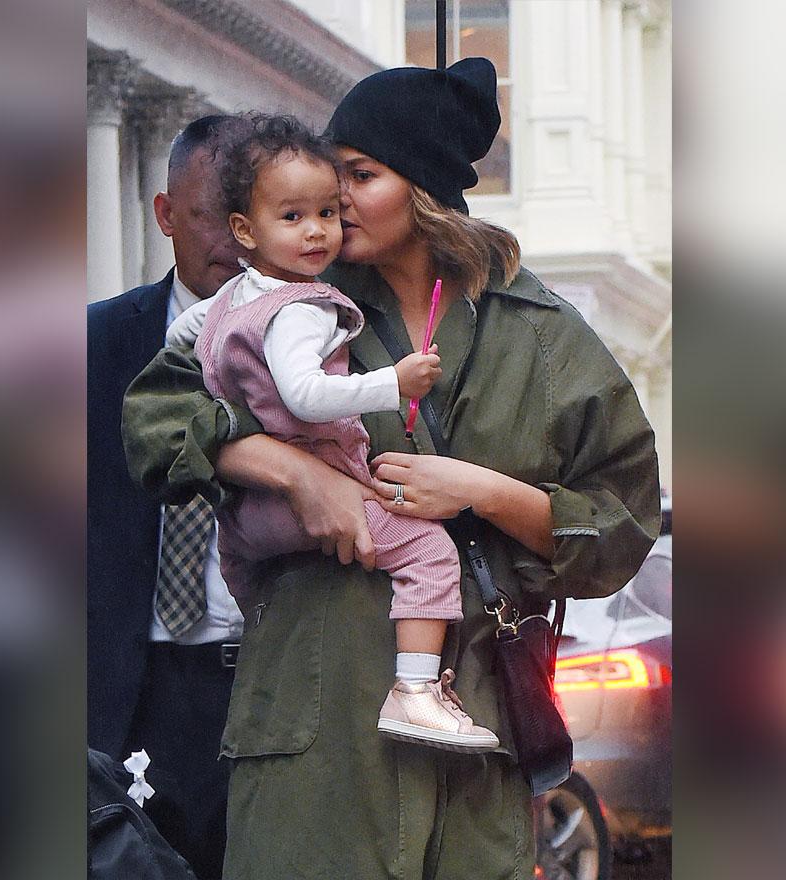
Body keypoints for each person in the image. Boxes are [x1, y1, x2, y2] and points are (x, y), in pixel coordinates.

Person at [123, 59, 660, 879]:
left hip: (476, 743)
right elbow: (154, 421)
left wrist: (487, 493)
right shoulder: (280, 298)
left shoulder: (543, 335)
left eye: (361, 176)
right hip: (311, 737)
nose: (333, 202)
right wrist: (296, 474)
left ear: (427, 188)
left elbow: (621, 526)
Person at [165, 113, 498, 752]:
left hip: (244, 519)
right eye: (293, 217)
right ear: (245, 229)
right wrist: (391, 384)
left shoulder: (228, 301)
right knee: (428, 550)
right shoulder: (304, 307)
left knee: (255, 599)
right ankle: (417, 690)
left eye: (325, 213)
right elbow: (306, 396)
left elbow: (183, 340)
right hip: (313, 491)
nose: (318, 229)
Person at [87, 114, 249, 880]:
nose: (234, 235)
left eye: (250, 209)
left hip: (265, 686)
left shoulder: (323, 343)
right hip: (129, 690)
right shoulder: (90, 346)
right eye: (212, 213)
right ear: (165, 215)